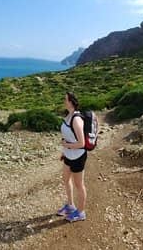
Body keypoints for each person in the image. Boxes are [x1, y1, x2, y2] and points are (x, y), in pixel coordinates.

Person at [57, 91, 87, 222]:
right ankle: (70, 205)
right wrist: (65, 150)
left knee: (79, 185)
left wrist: (67, 146)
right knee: (65, 179)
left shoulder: (76, 119)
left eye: (65, 100)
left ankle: (80, 213)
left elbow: (82, 143)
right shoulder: (68, 116)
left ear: (71, 102)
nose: (64, 101)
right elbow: (68, 137)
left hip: (78, 156)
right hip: (68, 154)